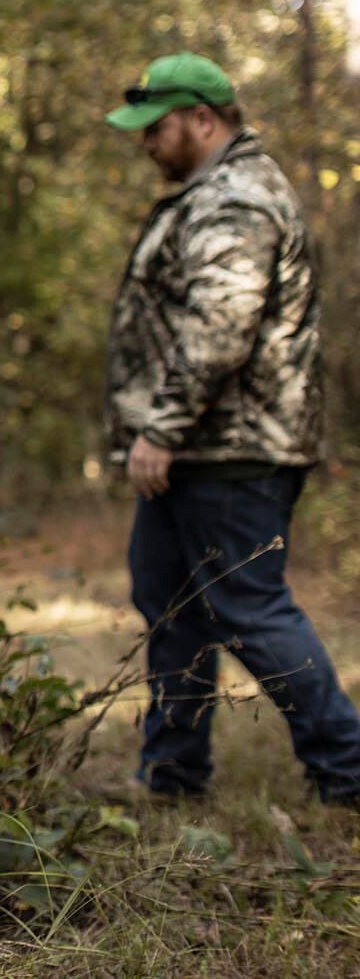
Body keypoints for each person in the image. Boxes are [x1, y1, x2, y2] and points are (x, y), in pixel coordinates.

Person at [105, 53, 360, 802]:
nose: (146, 142)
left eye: (157, 128)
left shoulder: (235, 199)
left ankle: (347, 768)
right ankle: (173, 774)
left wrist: (161, 428)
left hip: (229, 450)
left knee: (248, 606)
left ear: (203, 119)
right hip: (200, 450)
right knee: (171, 605)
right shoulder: (208, 193)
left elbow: (220, 328)